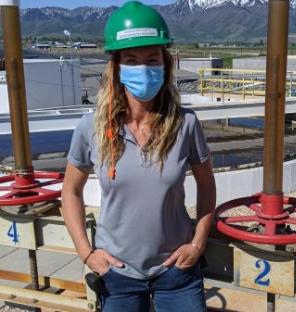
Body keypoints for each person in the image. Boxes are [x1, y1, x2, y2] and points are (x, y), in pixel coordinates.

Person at [61, 2, 216, 311]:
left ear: (165, 64)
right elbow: (70, 191)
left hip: (176, 271)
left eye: (152, 59)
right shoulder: (91, 127)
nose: (143, 68)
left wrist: (197, 243)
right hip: (117, 274)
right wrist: (86, 253)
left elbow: (207, 186)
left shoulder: (185, 124)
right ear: (116, 67)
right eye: (131, 59)